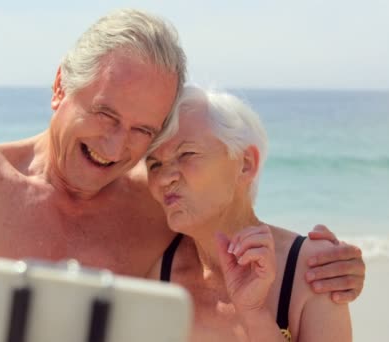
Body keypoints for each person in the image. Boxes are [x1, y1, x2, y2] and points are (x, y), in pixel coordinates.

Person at [0, 9, 364, 342]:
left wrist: (328, 266)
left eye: (142, 131)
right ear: (60, 87)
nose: (116, 147)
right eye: (105, 115)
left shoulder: (155, 198)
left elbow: (228, 221)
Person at [146, 86, 352, 341]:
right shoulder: (153, 270)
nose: (165, 178)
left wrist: (254, 313)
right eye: (154, 164)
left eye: (186, 154)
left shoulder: (313, 270)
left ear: (246, 164)